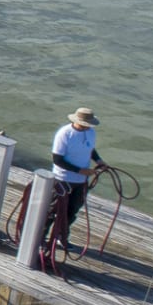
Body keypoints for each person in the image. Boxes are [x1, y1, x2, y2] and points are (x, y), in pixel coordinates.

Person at [50, 107, 106, 251]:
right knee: (52, 210)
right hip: (62, 179)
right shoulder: (64, 134)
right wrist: (81, 170)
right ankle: (41, 237)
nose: (87, 127)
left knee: (72, 210)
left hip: (81, 182)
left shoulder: (91, 133)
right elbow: (57, 159)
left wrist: (99, 160)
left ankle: (61, 237)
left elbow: (90, 149)